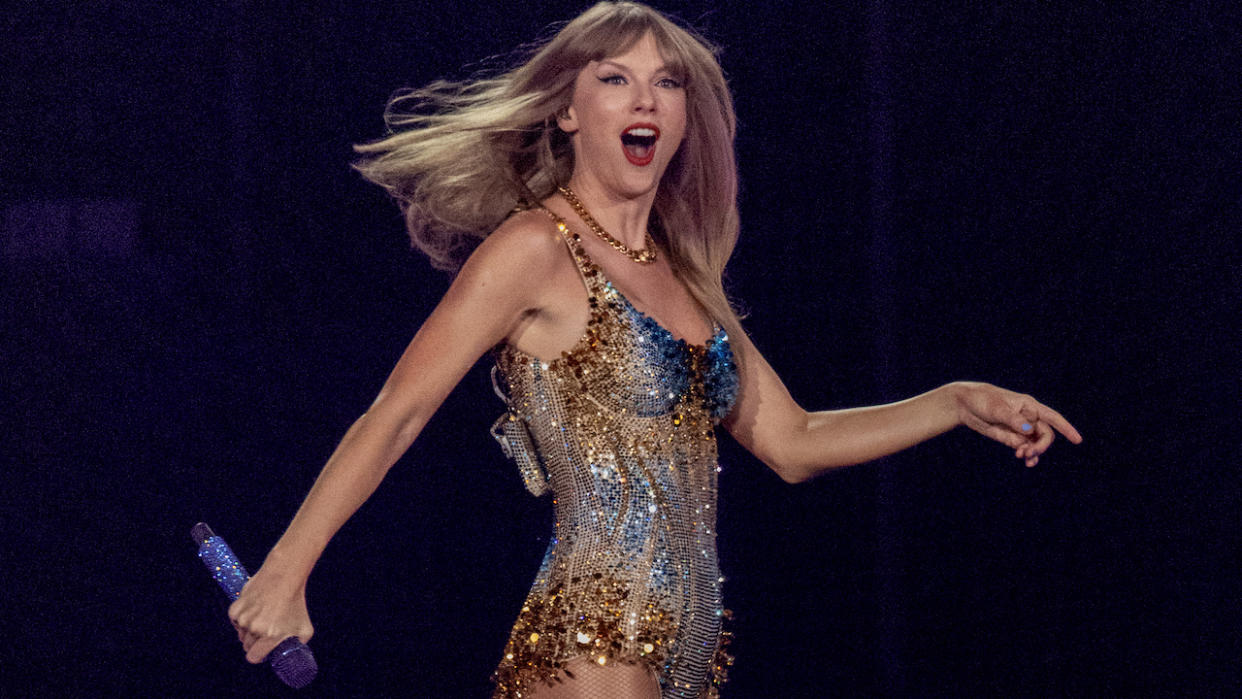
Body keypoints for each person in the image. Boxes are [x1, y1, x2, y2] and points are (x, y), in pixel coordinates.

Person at [227, 3, 1083, 697]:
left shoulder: (684, 276)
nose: (645, 100)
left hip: (682, 655)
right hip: (591, 642)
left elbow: (793, 441)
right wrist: (285, 570)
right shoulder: (536, 247)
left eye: (666, 82)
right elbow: (398, 412)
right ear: (567, 110)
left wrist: (954, 400)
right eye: (616, 78)